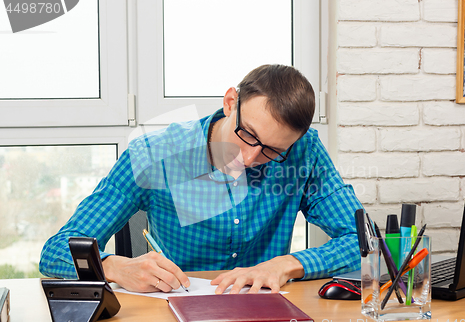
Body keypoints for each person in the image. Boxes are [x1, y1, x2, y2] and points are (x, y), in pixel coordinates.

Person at [39, 64, 363, 294]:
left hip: (265, 316)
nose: (249, 158)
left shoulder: (305, 152)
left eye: (272, 150)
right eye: (247, 134)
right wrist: (114, 268)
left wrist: (286, 264)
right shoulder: (153, 155)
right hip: (173, 313)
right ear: (230, 102)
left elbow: (366, 243)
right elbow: (55, 251)